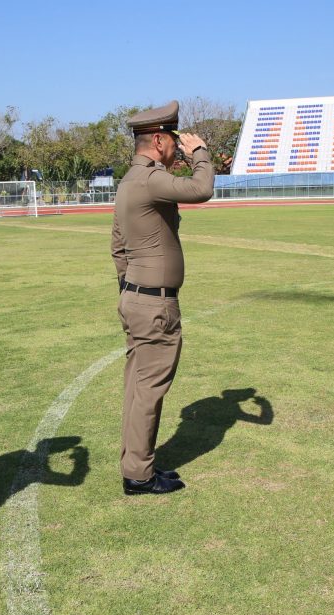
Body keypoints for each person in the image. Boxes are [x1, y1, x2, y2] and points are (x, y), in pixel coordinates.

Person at [110, 100, 214, 495]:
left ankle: (138, 464)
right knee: (149, 391)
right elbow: (201, 188)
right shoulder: (151, 178)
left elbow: (118, 246)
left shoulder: (129, 181)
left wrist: (129, 290)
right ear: (158, 140)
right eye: (173, 140)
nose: (177, 146)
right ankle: (138, 475)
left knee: (138, 389)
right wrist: (200, 153)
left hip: (137, 298)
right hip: (154, 304)